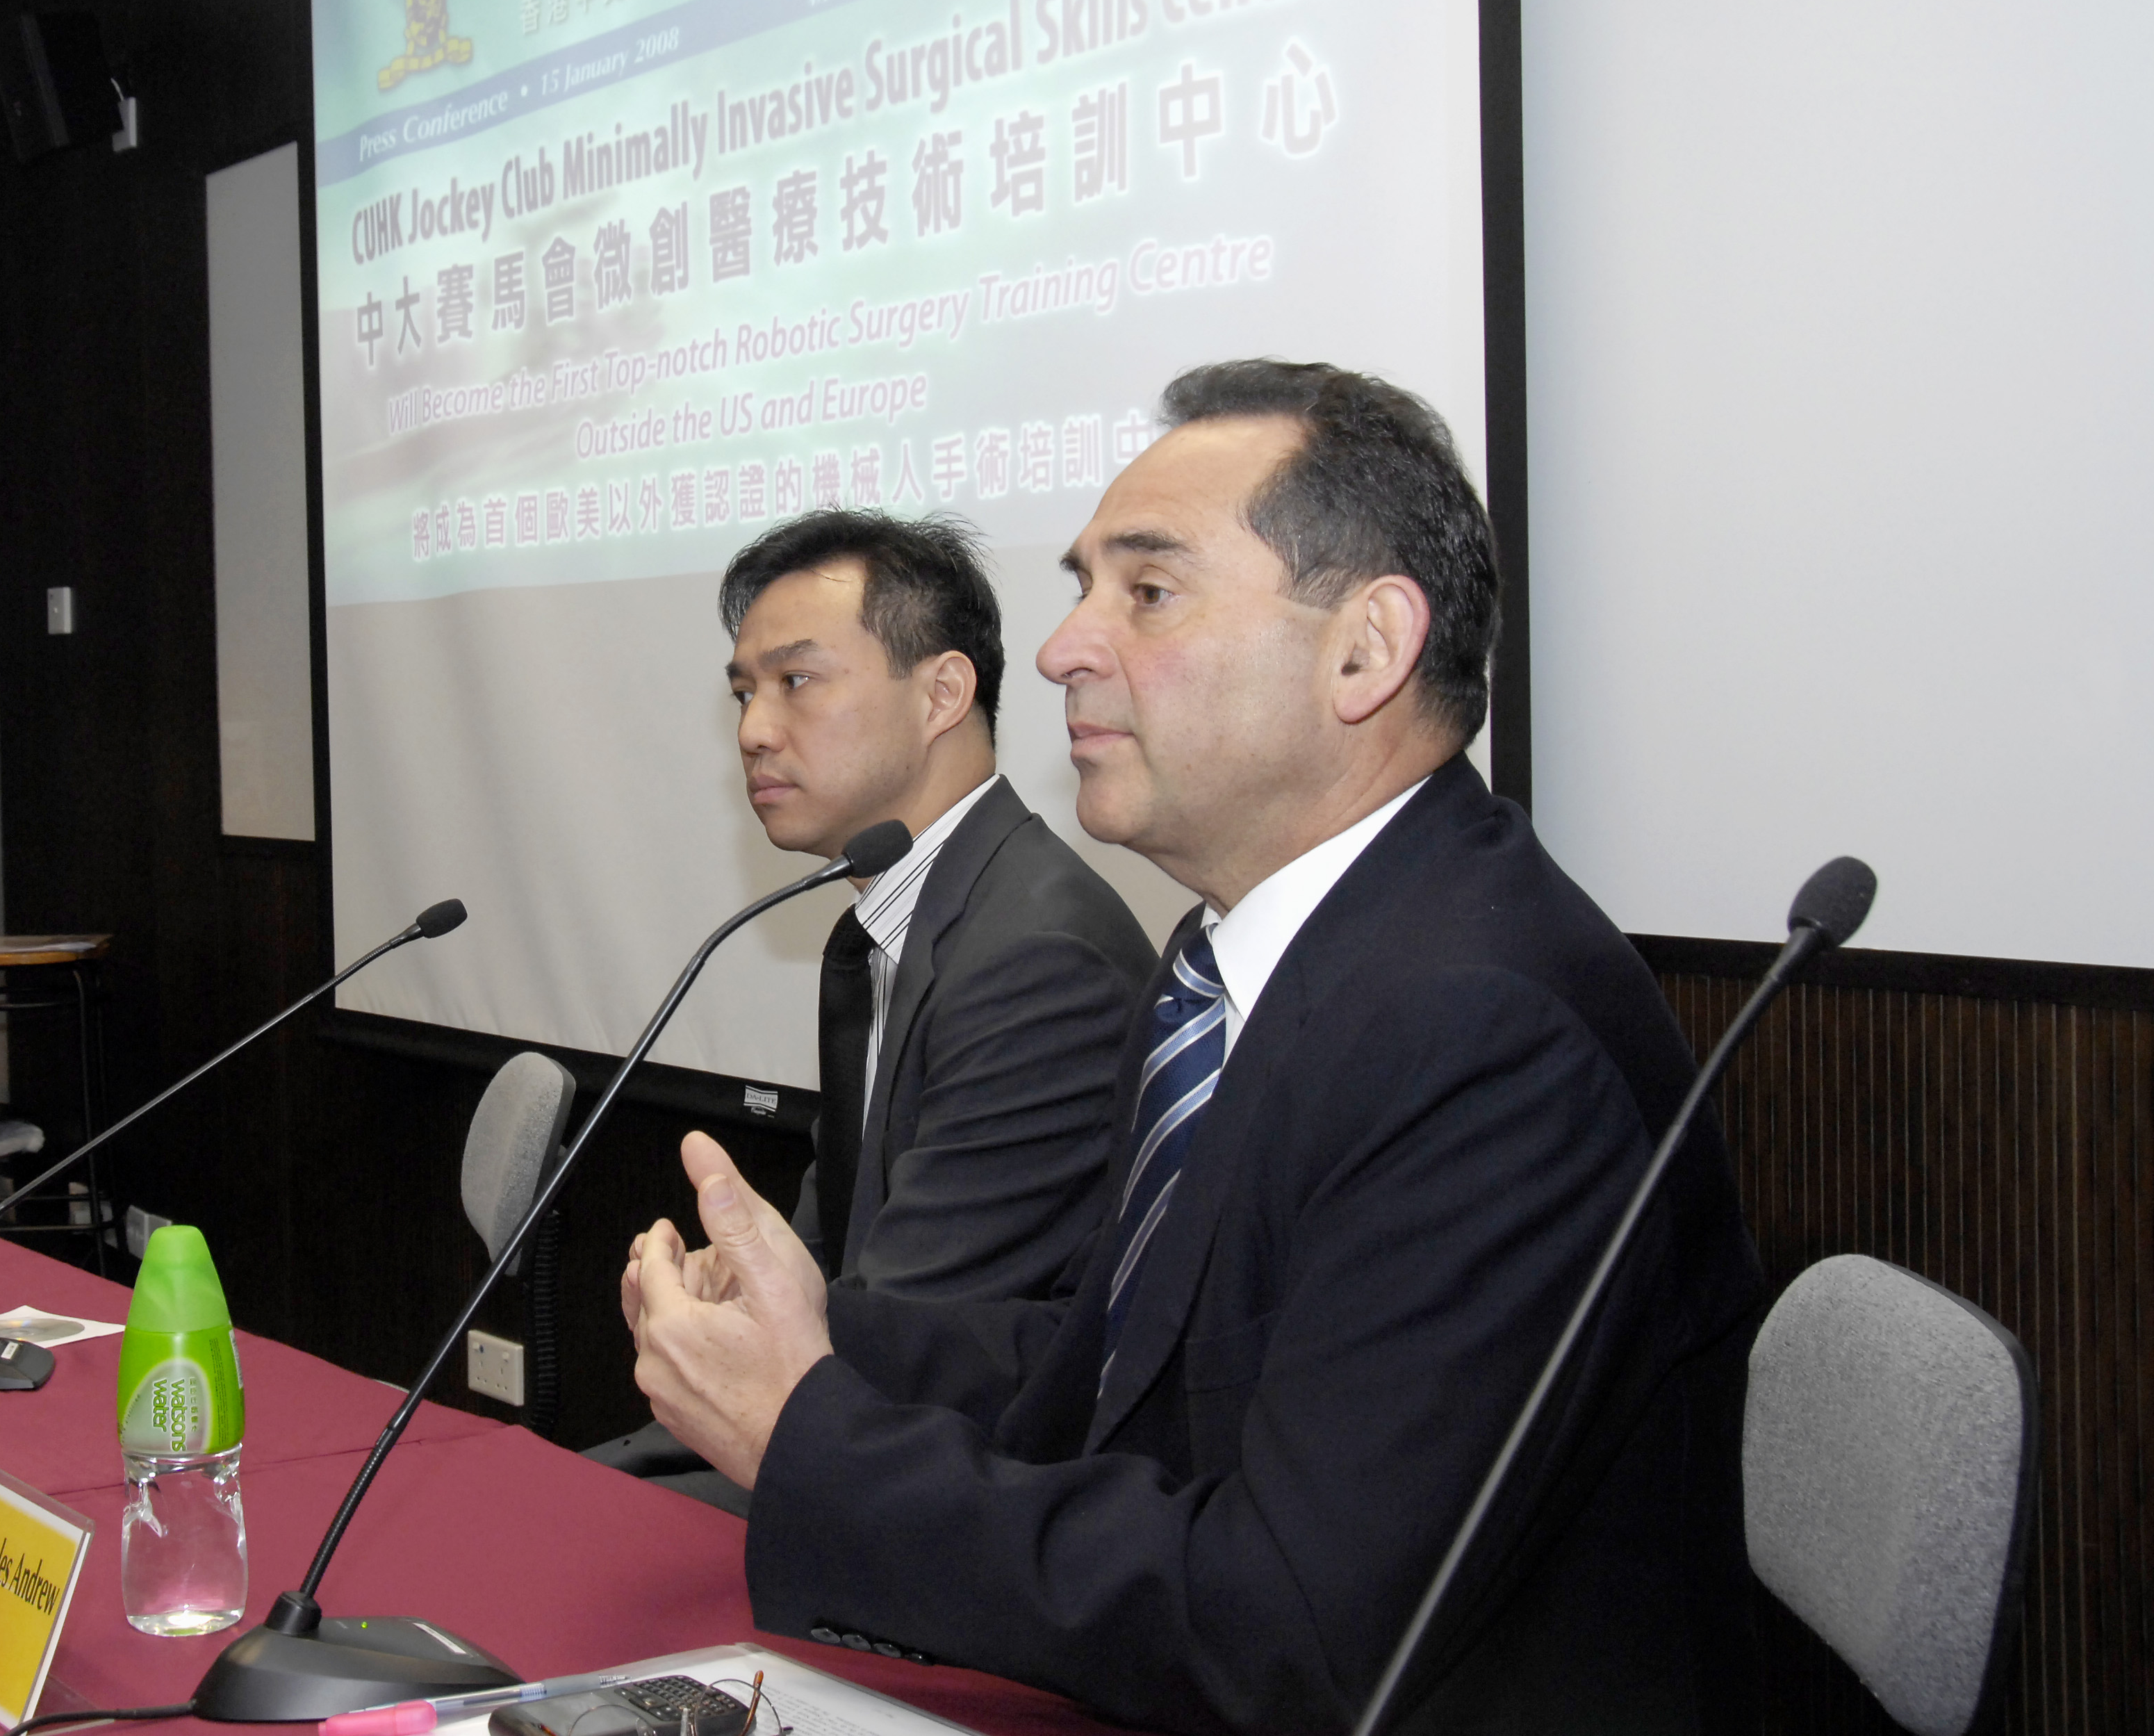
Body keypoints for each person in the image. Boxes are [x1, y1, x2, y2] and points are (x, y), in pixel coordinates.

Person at [620, 362, 1764, 1734]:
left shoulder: (1480, 1026)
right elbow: (1112, 1365)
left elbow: (1284, 1620)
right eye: (1080, 584)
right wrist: (812, 1328)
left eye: (1145, 592)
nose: (1057, 650)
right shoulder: (1248, 952)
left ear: (1364, 648)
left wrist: (807, 1433)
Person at [591, 511, 1156, 1513]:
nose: (755, 730)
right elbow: (837, 1250)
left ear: (943, 692)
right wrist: (728, 1282)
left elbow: (914, 1329)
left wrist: (742, 1326)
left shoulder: (1036, 960)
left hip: (963, 1494)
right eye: (744, 693)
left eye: (797, 682)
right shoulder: (889, 922)